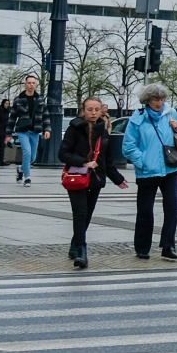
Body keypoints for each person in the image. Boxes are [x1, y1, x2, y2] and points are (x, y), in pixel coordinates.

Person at [59, 95, 127, 269]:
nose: (93, 113)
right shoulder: (74, 128)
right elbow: (63, 153)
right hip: (77, 176)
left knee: (87, 214)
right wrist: (83, 161)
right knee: (80, 212)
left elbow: (107, 159)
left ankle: (75, 245)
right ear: (83, 111)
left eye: (97, 109)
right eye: (90, 109)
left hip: (95, 178)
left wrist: (117, 179)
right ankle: (82, 251)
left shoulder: (103, 131)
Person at [121, 84, 177, 261]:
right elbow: (128, 146)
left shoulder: (171, 113)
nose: (159, 102)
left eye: (162, 98)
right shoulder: (138, 117)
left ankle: (168, 245)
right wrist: (143, 161)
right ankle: (142, 247)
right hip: (147, 171)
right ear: (147, 100)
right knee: (145, 210)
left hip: (170, 168)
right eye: (156, 99)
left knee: (172, 208)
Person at [8, 74, 49, 186]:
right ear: (25, 85)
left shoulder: (40, 99)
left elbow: (45, 115)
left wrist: (47, 130)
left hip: (35, 131)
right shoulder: (18, 100)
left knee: (32, 157)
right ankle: (27, 178)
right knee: (27, 152)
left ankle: (21, 169)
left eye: (33, 83)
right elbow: (12, 118)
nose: (31, 85)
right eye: (29, 83)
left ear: (36, 85)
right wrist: (8, 134)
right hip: (22, 130)